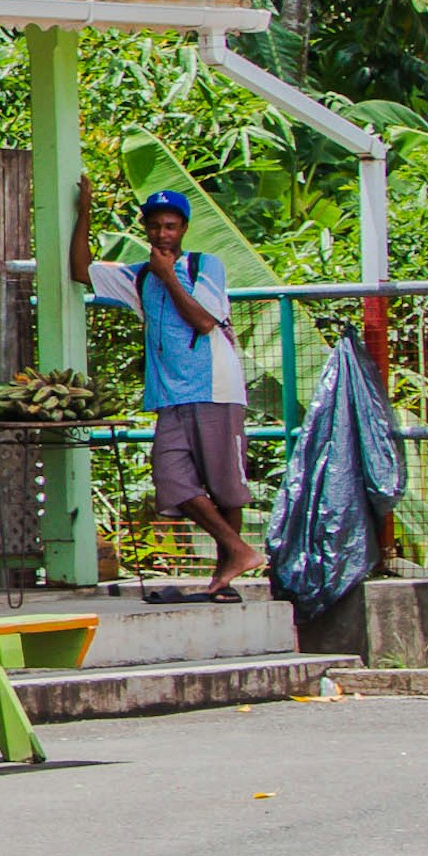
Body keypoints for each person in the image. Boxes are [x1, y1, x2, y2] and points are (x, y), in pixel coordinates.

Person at [71, 181, 266, 596]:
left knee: (225, 485)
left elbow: (204, 321)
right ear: (145, 228)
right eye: (156, 226)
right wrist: (83, 212)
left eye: (171, 226)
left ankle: (224, 576)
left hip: (214, 387)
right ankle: (237, 549)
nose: (163, 234)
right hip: (169, 395)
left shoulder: (203, 265)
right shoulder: (139, 276)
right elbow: (80, 271)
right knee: (171, 479)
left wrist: (169, 276)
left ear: (184, 229)